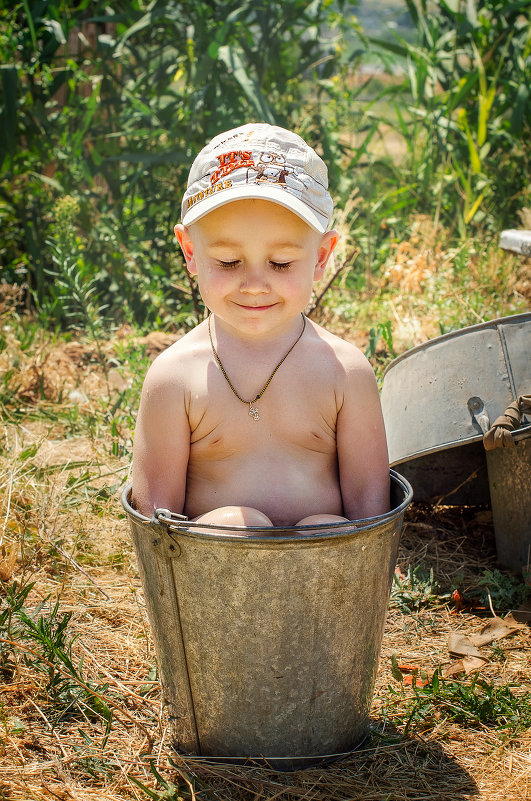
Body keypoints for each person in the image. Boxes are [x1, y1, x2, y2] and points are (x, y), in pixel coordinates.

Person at [132, 123, 389, 529]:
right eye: (229, 262)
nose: (254, 285)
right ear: (190, 251)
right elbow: (155, 528)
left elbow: (373, 519)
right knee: (239, 523)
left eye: (281, 263)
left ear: (321, 256)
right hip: (214, 579)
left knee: (327, 528)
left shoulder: (345, 373)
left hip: (329, 578)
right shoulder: (175, 378)